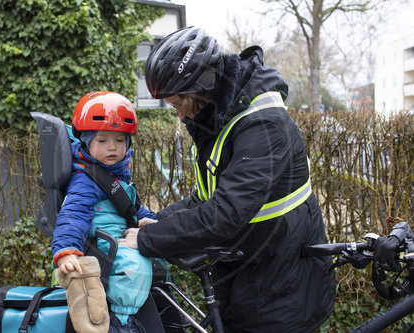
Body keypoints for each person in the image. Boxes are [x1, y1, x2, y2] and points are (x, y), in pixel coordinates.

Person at [118, 26, 337, 332]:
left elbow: (225, 212)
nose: (180, 116)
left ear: (202, 86)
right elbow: (204, 197)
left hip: (283, 283)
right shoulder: (221, 117)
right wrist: (157, 221)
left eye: (179, 104)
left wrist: (149, 240)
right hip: (251, 273)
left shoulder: (263, 124)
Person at [52, 91, 158, 332]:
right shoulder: (85, 180)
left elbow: (133, 208)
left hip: (116, 240)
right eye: (102, 140)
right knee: (134, 265)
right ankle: (123, 322)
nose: (112, 147)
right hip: (101, 246)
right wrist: (66, 252)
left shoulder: (116, 175)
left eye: (120, 140)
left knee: (157, 252)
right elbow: (72, 216)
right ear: (86, 142)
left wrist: (152, 221)